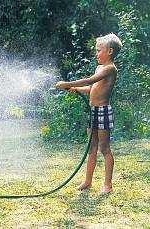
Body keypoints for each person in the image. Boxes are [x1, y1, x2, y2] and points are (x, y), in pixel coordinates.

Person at [55, 33, 122, 193]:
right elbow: (91, 88)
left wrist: (66, 83)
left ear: (110, 51)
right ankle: (87, 181)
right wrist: (76, 89)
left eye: (99, 50)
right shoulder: (99, 67)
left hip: (103, 112)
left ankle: (107, 184)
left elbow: (89, 81)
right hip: (92, 112)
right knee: (91, 148)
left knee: (104, 148)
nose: (96, 54)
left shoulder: (110, 69)